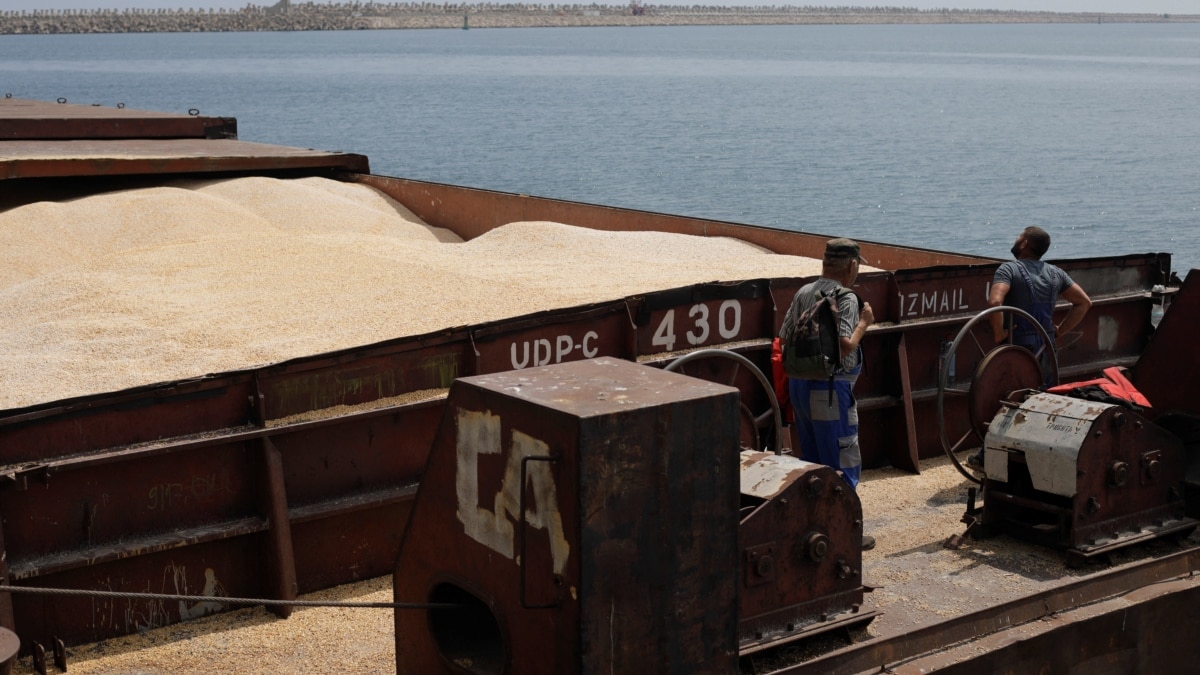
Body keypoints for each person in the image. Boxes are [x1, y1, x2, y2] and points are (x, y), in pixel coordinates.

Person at [780, 238, 875, 550]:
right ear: (850, 266)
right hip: (832, 391)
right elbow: (846, 345)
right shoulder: (845, 297)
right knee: (842, 460)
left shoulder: (803, 292)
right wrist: (864, 323)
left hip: (800, 388)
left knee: (811, 462)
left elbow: (783, 338)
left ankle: (812, 527)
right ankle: (845, 531)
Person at [988, 226, 1092, 373]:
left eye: (1019, 236)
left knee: (1016, 391)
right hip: (1047, 347)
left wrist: (999, 334)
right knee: (1046, 392)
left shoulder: (1008, 269)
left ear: (1024, 244)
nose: (1015, 239)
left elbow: (995, 302)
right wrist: (1060, 331)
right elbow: (1084, 302)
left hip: (1018, 348)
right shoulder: (1057, 273)